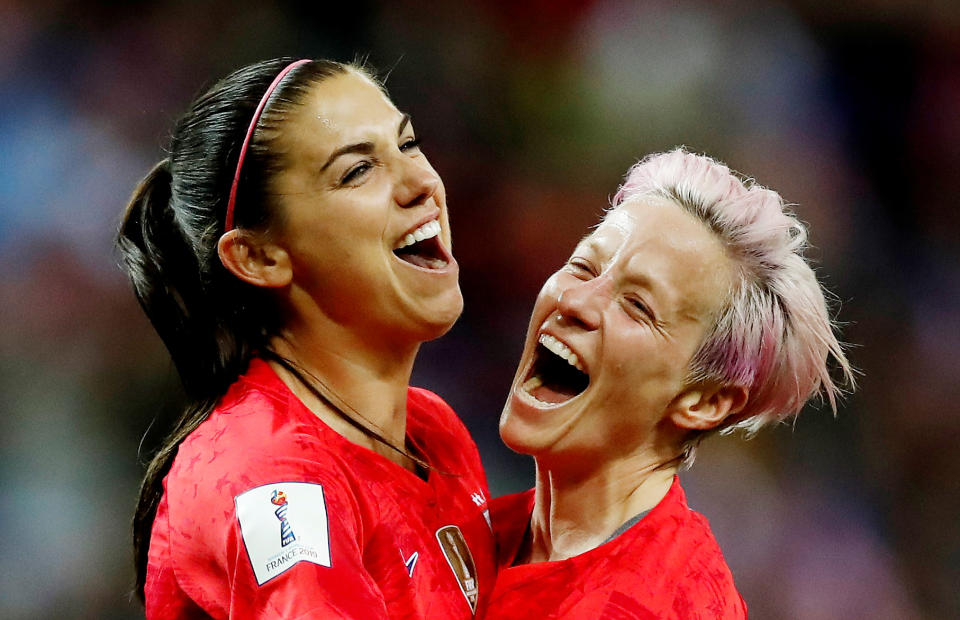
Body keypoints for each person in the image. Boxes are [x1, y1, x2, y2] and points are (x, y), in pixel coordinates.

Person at [118, 58, 494, 619]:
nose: (423, 183)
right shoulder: (269, 477)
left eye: (408, 144)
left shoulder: (431, 432)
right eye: (357, 171)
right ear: (259, 255)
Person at [483, 148, 855, 619]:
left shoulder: (668, 606)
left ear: (706, 400)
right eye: (584, 267)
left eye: (637, 305)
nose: (576, 301)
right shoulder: (475, 531)